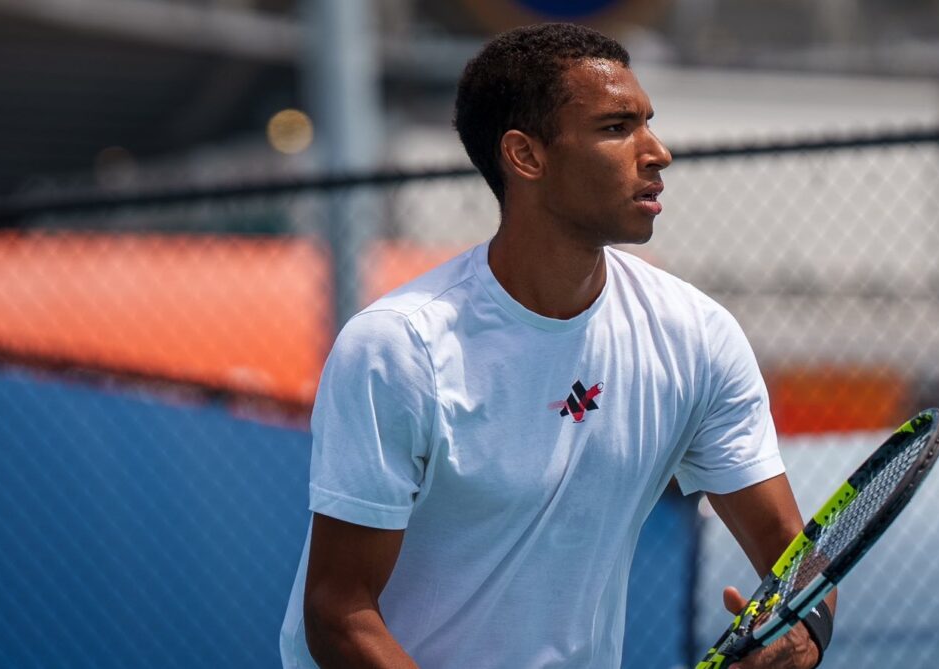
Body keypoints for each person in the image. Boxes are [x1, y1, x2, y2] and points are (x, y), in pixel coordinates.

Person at [279, 22, 835, 669]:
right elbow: (338, 611)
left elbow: (790, 550)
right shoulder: (398, 349)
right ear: (526, 156)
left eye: (648, 122)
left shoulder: (697, 338)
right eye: (616, 127)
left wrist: (806, 634)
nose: (657, 151)